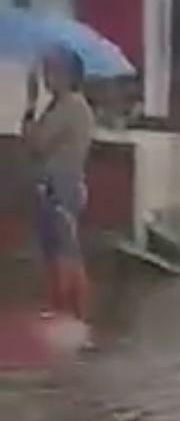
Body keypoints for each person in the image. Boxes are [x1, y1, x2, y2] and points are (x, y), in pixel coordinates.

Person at [21, 47, 95, 323]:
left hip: (62, 184)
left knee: (65, 249)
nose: (47, 76)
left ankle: (71, 310)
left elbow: (37, 143)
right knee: (52, 247)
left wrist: (30, 105)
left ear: (68, 74)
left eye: (53, 70)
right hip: (51, 184)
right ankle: (59, 306)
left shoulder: (72, 106)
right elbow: (32, 142)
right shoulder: (59, 105)